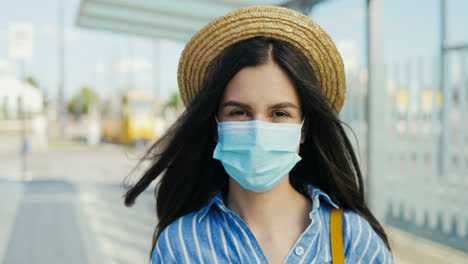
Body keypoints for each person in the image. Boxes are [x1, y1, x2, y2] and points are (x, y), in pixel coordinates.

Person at [124, 5, 395, 264]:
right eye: (239, 112)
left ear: (304, 129)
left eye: (280, 113)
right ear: (215, 126)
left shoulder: (353, 241)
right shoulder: (180, 246)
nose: (258, 130)